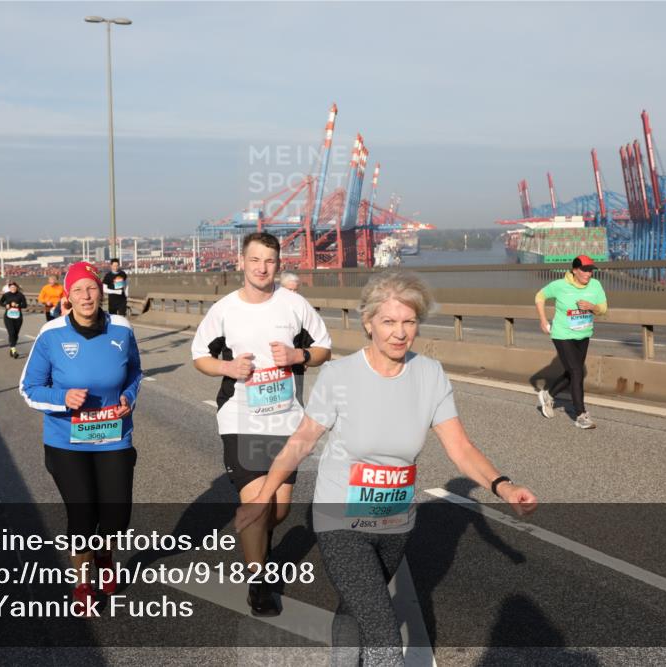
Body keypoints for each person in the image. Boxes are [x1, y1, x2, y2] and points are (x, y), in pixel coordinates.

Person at [236, 271, 538, 665]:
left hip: (395, 519)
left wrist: (503, 486)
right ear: (369, 323)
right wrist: (263, 495)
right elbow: (302, 440)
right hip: (340, 517)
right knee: (382, 631)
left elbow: (460, 447)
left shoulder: (430, 375)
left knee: (358, 605)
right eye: (389, 322)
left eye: (408, 322)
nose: (399, 332)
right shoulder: (340, 375)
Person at [192, 232, 332, 616]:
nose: (261, 268)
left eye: (269, 261)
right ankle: (259, 583)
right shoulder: (224, 309)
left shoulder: (294, 305)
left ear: (278, 264)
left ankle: (260, 538)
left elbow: (323, 348)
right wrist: (226, 367)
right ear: (241, 262)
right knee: (255, 501)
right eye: (254, 260)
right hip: (241, 416)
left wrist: (296, 354)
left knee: (280, 510)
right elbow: (199, 355)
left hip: (285, 419)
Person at [20, 261, 142, 613]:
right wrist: (62, 398)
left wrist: (129, 397)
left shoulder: (121, 328)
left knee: (117, 515)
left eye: (91, 288)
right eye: (78, 290)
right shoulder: (51, 335)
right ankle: (83, 582)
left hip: (113, 435)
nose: (86, 296)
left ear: (100, 291)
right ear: (68, 296)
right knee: (82, 514)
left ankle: (105, 554)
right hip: (66, 442)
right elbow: (28, 389)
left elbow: (135, 370)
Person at [535, 254, 608, 429]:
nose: (588, 274)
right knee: (577, 371)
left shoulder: (596, 285)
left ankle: (548, 394)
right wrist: (543, 320)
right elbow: (539, 296)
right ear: (575, 270)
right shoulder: (560, 285)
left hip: (583, 334)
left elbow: (603, 309)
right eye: (584, 270)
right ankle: (581, 415)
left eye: (590, 270)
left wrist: (592, 307)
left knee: (572, 373)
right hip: (562, 335)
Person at [0, 281, 28, 358]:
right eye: (11, 287)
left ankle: (12, 347)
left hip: (18, 317)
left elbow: (25, 305)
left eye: (14, 287)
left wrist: (18, 305)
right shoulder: (6, 295)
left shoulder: (20, 295)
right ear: (9, 288)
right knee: (11, 332)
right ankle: (14, 350)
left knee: (15, 334)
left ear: (16, 287)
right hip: (8, 317)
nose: (13, 288)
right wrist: (6, 305)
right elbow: (0, 302)